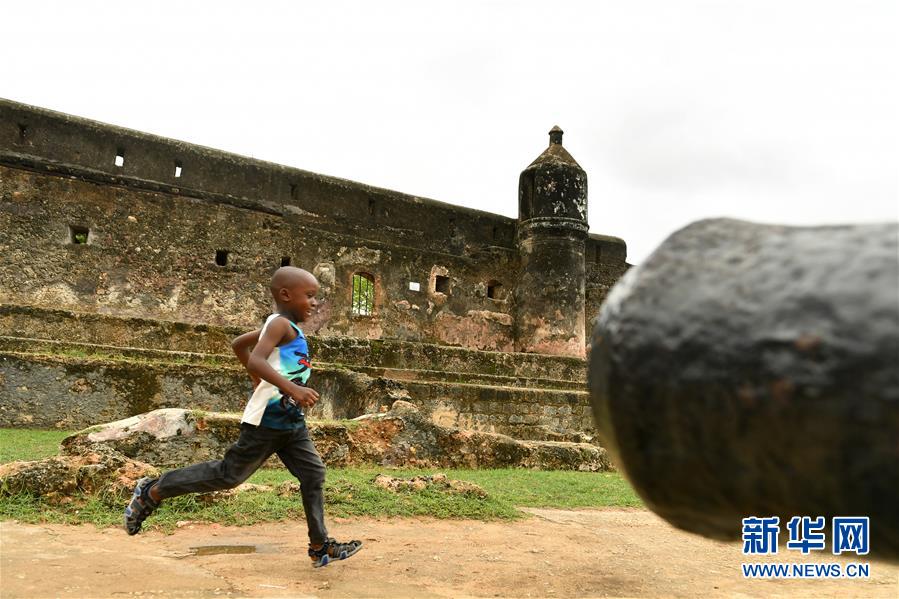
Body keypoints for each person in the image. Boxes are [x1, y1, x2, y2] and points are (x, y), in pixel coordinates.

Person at [123, 266, 362, 568]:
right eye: (310, 296)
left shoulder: (286, 327)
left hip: (290, 422)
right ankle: (153, 490)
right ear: (286, 295)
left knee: (313, 474)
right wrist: (290, 388)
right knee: (229, 475)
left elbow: (239, 345)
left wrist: (259, 380)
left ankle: (320, 547)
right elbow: (258, 357)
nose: (315, 303)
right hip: (267, 421)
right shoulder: (278, 324)